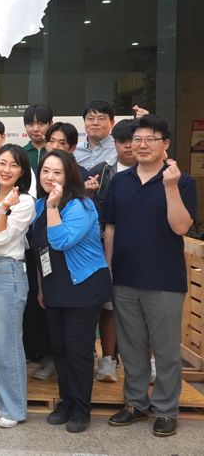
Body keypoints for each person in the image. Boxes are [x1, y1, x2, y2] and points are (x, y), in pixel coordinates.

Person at [105, 115, 197, 437]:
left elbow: (181, 227)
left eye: (150, 139)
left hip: (164, 280)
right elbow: (111, 227)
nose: (141, 145)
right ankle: (135, 403)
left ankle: (167, 409)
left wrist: (170, 187)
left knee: (166, 349)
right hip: (125, 278)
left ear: (165, 144)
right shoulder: (120, 181)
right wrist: (109, 267)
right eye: (137, 139)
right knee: (131, 346)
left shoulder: (181, 181)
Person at [28, 150, 111, 434]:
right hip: (54, 286)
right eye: (45, 172)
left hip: (83, 285)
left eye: (57, 172)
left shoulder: (82, 205)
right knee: (60, 348)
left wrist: (53, 208)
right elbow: (40, 250)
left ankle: (81, 407)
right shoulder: (39, 204)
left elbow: (61, 240)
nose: (50, 177)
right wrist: (41, 287)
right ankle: (65, 401)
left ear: (69, 175)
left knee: (78, 351)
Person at [0, 145, 35, 428]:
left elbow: (0, 239)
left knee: (8, 343)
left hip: (9, 273)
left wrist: (4, 208)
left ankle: (15, 408)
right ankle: (0, 402)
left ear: (22, 172)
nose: (6, 169)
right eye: (2, 163)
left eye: (13, 165)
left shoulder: (24, 201)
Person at [86, 119, 137, 384]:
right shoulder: (101, 172)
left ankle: (145, 360)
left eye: (134, 139)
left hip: (142, 250)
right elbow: (86, 208)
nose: (129, 146)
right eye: (123, 141)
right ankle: (107, 358)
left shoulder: (159, 172)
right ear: (114, 144)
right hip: (106, 246)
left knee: (143, 308)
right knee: (108, 306)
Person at [74, 100, 117, 170]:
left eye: (101, 118)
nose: (95, 123)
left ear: (112, 123)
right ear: (84, 121)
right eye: (90, 118)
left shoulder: (117, 148)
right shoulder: (75, 150)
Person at [23, 104, 53, 176]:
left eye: (41, 124)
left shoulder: (59, 151)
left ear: (50, 124)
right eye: (30, 124)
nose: (35, 129)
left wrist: (54, 153)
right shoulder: (20, 153)